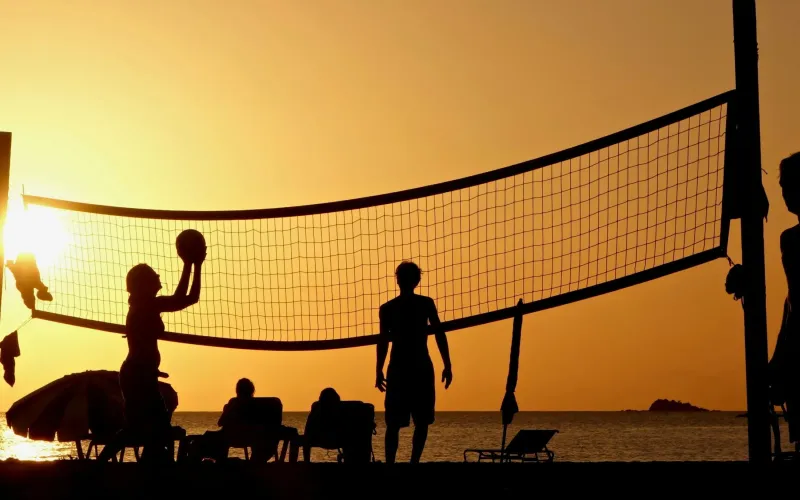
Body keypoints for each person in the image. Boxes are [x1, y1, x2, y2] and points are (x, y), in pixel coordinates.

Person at [99, 245, 205, 462]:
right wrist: (190, 264)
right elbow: (182, 298)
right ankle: (99, 465)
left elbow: (189, 298)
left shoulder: (146, 305)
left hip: (141, 374)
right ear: (143, 284)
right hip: (136, 375)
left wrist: (195, 265)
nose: (158, 276)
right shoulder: (145, 306)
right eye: (154, 275)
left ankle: (146, 465)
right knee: (144, 428)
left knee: (151, 429)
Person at [376, 261, 452, 463]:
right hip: (418, 367)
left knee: (397, 423)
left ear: (398, 280)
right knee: (419, 422)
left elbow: (383, 342)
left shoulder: (389, 308)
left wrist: (378, 369)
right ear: (417, 281)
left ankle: (393, 465)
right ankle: (413, 463)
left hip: (401, 368)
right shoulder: (424, 304)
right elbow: (439, 334)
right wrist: (447, 364)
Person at [771, 151, 800, 452]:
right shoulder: (788, 238)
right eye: (782, 186)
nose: (784, 194)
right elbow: (791, 300)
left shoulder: (792, 241)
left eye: (789, 185)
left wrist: (781, 358)